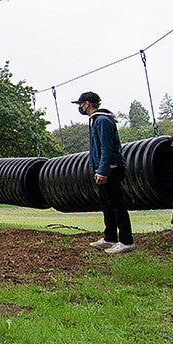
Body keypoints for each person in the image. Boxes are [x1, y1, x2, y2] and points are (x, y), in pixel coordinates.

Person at [73, 91, 134, 254]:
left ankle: (126, 241)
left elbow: (106, 148)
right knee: (106, 204)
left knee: (116, 204)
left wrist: (103, 170)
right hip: (104, 168)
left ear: (87, 104)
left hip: (111, 169)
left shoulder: (102, 121)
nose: (80, 107)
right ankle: (110, 238)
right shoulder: (95, 121)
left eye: (80, 104)